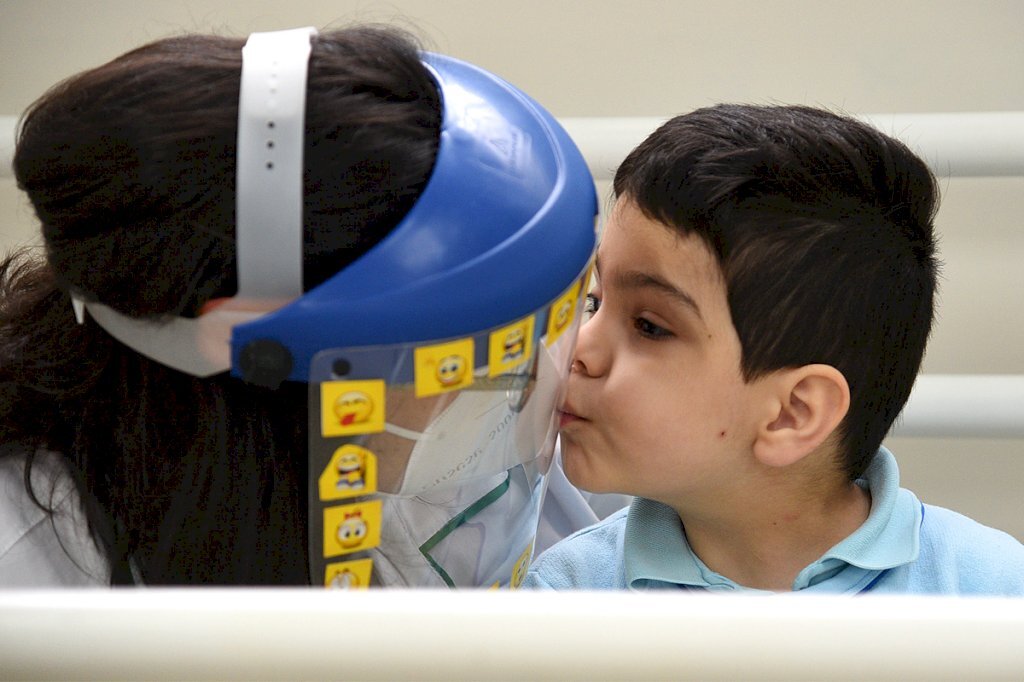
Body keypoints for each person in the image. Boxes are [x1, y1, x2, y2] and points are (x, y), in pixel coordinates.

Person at [0, 25, 603, 587]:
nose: (528, 386)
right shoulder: (32, 577)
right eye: (463, 353)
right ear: (265, 362)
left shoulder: (382, 470)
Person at [524, 104, 1024, 594]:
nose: (577, 349)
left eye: (649, 326)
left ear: (793, 412)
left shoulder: (990, 591)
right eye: (594, 302)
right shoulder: (565, 595)